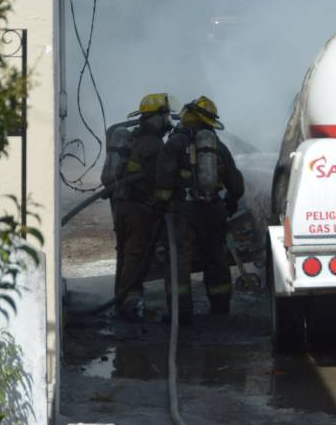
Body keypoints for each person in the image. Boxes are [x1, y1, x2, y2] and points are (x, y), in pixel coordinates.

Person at [155, 96, 244, 323]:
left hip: (183, 211)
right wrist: (231, 200)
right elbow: (235, 183)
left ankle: (181, 314)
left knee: (179, 261)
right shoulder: (216, 145)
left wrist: (162, 204)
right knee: (215, 258)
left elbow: (163, 178)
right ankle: (220, 308)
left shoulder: (175, 143)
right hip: (214, 209)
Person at [100, 92, 172, 321]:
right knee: (136, 254)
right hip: (138, 208)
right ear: (156, 118)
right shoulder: (153, 144)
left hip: (122, 205)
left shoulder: (135, 138)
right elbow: (157, 179)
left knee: (124, 253)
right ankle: (129, 303)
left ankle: (122, 300)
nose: (167, 121)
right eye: (165, 116)